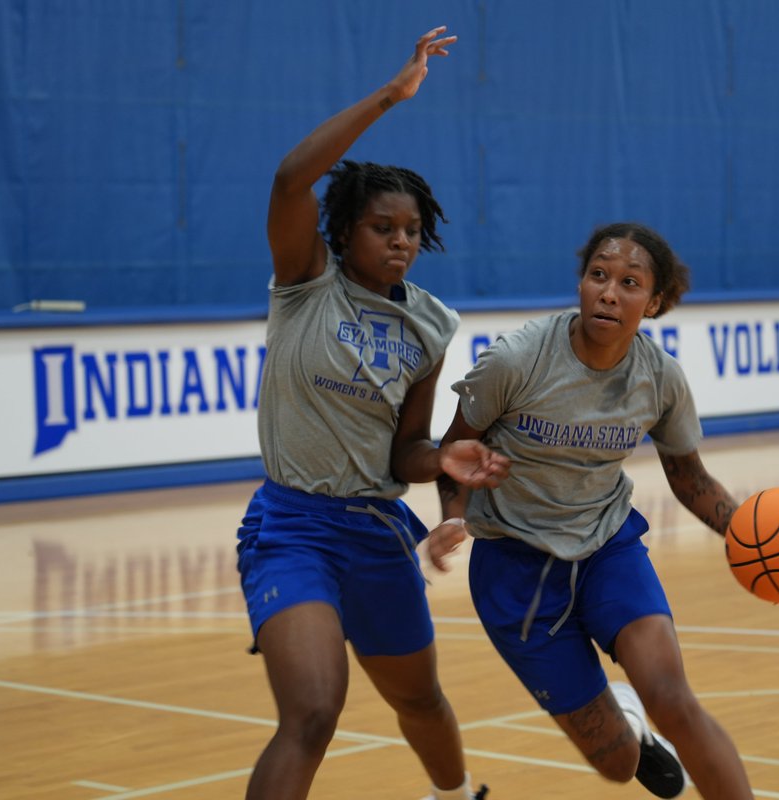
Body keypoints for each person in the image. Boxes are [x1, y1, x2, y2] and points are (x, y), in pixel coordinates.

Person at [235, 27, 505, 800]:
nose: (400, 242)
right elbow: (291, 179)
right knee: (313, 713)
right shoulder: (305, 282)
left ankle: (457, 795)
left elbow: (404, 452)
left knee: (418, 698)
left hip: (377, 530)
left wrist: (444, 465)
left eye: (412, 231)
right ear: (344, 230)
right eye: (383, 227)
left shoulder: (429, 323)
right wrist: (391, 95)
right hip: (293, 528)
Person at [429, 222, 755, 799]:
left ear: (653, 303)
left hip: (607, 550)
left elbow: (688, 475)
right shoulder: (516, 360)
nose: (609, 292)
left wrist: (751, 537)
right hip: (515, 571)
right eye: (598, 275)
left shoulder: (659, 378)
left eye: (630, 283)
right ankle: (630, 725)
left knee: (674, 699)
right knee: (618, 763)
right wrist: (453, 516)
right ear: (581, 284)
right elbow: (454, 449)